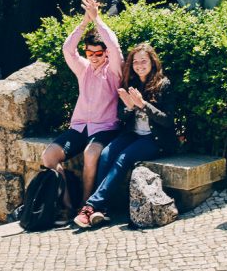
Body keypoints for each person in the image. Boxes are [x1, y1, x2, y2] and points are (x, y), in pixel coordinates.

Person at [74, 43, 176, 228]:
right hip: (133, 134)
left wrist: (143, 104)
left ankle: (91, 206)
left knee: (123, 158)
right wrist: (129, 107)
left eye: (143, 61)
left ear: (153, 62)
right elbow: (121, 116)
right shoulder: (131, 83)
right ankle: (101, 210)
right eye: (135, 62)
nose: (139, 65)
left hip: (155, 139)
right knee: (105, 155)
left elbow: (167, 120)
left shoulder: (163, 84)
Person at [41, 0, 123, 202]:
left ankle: (87, 204)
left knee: (90, 153)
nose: (94, 57)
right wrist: (85, 22)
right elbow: (68, 49)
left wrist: (98, 20)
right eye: (89, 52)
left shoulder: (113, 71)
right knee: (48, 157)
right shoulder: (83, 69)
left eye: (98, 53)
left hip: (105, 127)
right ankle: (67, 204)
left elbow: (114, 47)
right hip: (79, 127)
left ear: (104, 54)